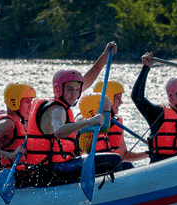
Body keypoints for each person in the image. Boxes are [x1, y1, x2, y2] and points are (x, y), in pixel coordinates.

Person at [23, 42, 116, 181]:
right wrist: (89, 121)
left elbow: (88, 79)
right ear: (58, 90)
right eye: (70, 90)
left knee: (116, 162)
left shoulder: (62, 101)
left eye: (78, 90)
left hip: (53, 167)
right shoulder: (56, 109)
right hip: (51, 170)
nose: (75, 94)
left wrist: (104, 56)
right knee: (114, 159)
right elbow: (59, 131)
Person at [77, 81, 149, 165]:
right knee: (123, 163)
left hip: (111, 166)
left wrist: (151, 153)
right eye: (118, 98)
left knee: (126, 164)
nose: (121, 102)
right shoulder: (84, 119)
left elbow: (124, 156)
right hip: (93, 168)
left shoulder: (116, 122)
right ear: (108, 99)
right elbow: (104, 128)